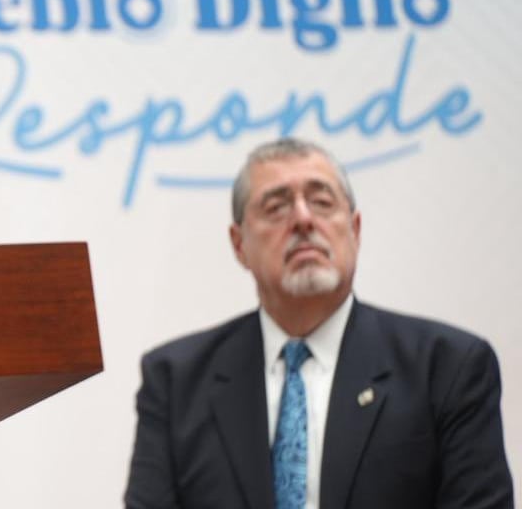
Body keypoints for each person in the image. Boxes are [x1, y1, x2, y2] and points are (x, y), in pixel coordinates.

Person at [125, 137, 512, 509]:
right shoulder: (176, 381)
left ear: (355, 230)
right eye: (276, 207)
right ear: (239, 244)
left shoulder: (447, 368)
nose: (303, 219)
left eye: (322, 202)